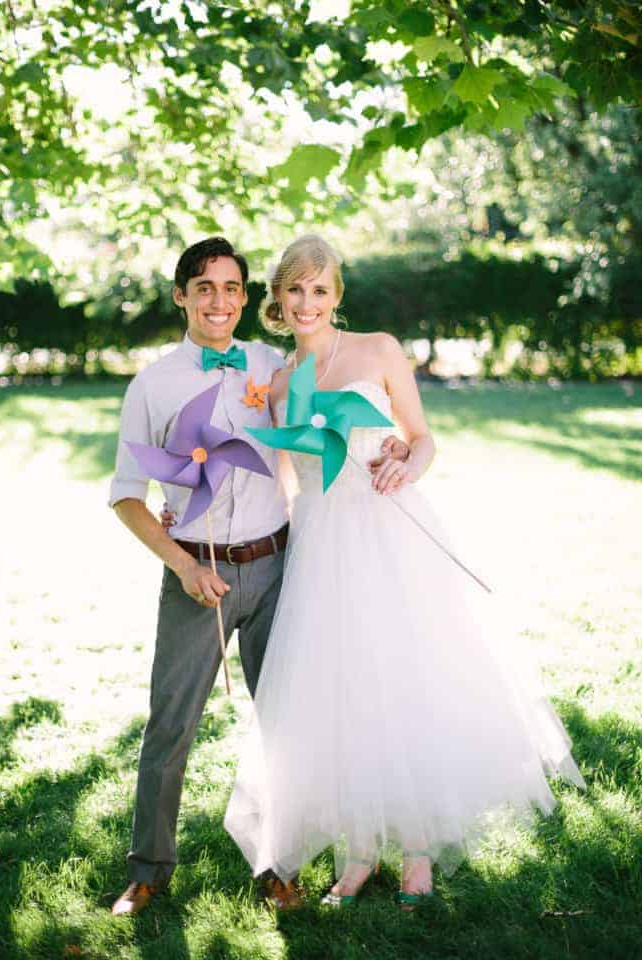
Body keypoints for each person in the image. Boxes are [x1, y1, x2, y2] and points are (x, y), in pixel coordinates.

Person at [223, 234, 585, 908]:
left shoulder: (379, 350)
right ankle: (357, 852)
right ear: (277, 296)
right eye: (295, 289)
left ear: (337, 295)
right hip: (322, 545)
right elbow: (278, 482)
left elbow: (423, 438)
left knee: (402, 678)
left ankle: (416, 848)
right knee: (342, 693)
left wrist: (400, 462)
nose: (308, 303)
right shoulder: (274, 388)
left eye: (320, 290)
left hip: (390, 533)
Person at [107, 236, 408, 915]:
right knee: (170, 727)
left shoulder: (277, 364)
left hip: (278, 565)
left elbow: (335, 410)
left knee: (286, 721)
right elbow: (127, 493)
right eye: (205, 287)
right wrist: (185, 566)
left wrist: (388, 441)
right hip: (198, 573)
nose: (220, 300)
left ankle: (279, 863)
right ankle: (149, 869)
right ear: (181, 295)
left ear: (248, 298)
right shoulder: (153, 384)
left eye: (233, 287)